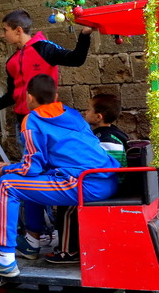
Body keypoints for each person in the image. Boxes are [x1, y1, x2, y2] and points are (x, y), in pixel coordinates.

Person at [0, 75, 119, 277]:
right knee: (25, 181)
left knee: (7, 185)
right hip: (106, 179)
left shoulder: (32, 120)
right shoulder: (71, 114)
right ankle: (31, 242)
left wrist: (4, 170)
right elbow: (41, 164)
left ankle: (5, 260)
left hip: (85, 184)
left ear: (28, 97)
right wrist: (12, 166)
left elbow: (31, 169)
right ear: (56, 95)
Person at [0, 9, 94, 138]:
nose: (2, 35)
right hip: (23, 124)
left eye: (5, 30)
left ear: (18, 30)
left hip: (45, 122)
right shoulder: (11, 62)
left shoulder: (44, 48)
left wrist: (84, 35)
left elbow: (76, 60)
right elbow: (11, 96)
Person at [46, 93, 129, 264]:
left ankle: (67, 252)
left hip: (111, 185)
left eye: (89, 110)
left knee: (68, 205)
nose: (85, 112)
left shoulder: (104, 140)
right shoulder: (115, 133)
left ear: (98, 117)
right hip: (108, 182)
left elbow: (101, 169)